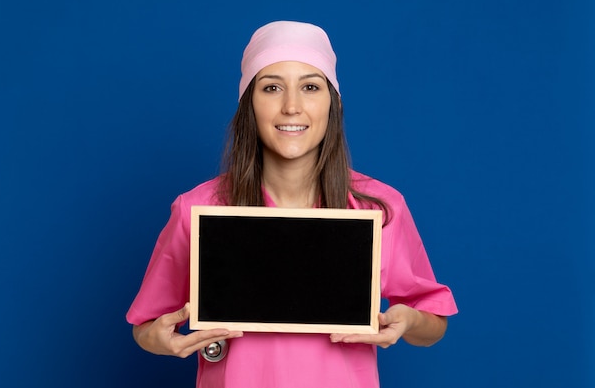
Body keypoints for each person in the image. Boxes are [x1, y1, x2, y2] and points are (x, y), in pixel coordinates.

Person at [126, 20, 458, 388]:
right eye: (271, 88)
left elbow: (433, 323)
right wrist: (160, 339)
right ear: (248, 104)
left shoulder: (377, 207)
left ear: (332, 103)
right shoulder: (197, 208)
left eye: (311, 87)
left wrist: (408, 323)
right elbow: (146, 327)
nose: (291, 107)